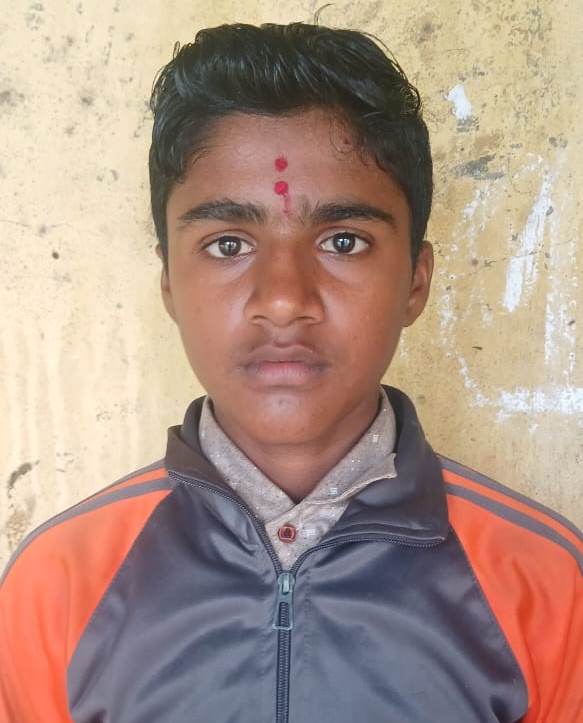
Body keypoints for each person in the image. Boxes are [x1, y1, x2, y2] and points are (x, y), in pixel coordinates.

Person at [1, 21, 581, 723]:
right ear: (168, 282)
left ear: (415, 282)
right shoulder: (57, 586)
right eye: (227, 244)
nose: (282, 299)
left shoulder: (548, 585)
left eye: (344, 241)